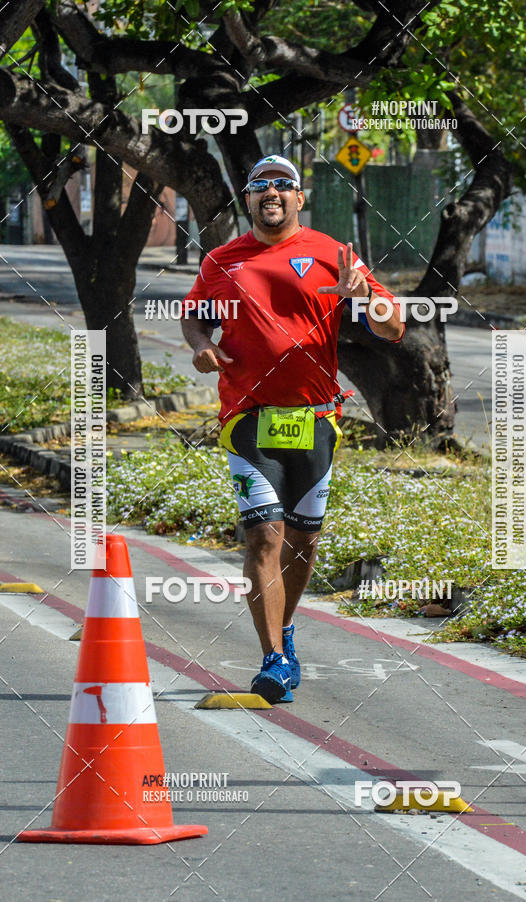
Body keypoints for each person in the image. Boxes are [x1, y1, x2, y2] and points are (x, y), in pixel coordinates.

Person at [181, 154, 404, 703]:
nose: (271, 193)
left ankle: (285, 629)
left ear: (300, 198)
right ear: (249, 199)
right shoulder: (223, 260)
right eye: (260, 186)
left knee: (303, 542)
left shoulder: (332, 254)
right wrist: (202, 346)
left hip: (315, 418)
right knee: (262, 534)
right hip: (247, 417)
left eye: (283, 185)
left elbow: (393, 326)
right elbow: (194, 313)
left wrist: (365, 299)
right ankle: (273, 658)